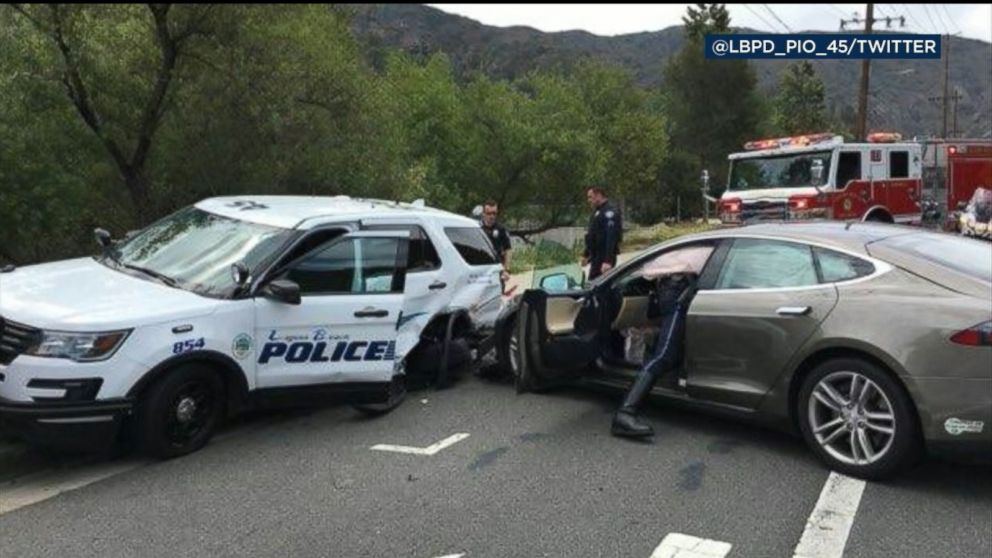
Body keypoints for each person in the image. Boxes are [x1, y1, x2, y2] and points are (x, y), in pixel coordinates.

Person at [611, 245, 713, 438]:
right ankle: (624, 414)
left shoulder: (700, 247)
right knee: (665, 355)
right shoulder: (701, 247)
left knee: (671, 353)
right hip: (679, 293)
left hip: (681, 290)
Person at [582, 187, 622, 281]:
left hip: (604, 258)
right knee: (595, 286)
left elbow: (611, 238)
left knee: (599, 287)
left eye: (590, 197)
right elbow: (592, 236)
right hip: (595, 257)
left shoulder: (610, 212)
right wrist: (586, 254)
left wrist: (607, 261)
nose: (589, 200)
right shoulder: (597, 212)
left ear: (599, 195)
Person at [480, 199, 512, 289]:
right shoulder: (477, 228)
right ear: (483, 213)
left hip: (497, 270)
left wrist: (507, 270)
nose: (492, 216)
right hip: (481, 271)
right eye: (489, 213)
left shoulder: (501, 229)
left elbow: (508, 250)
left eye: (494, 213)